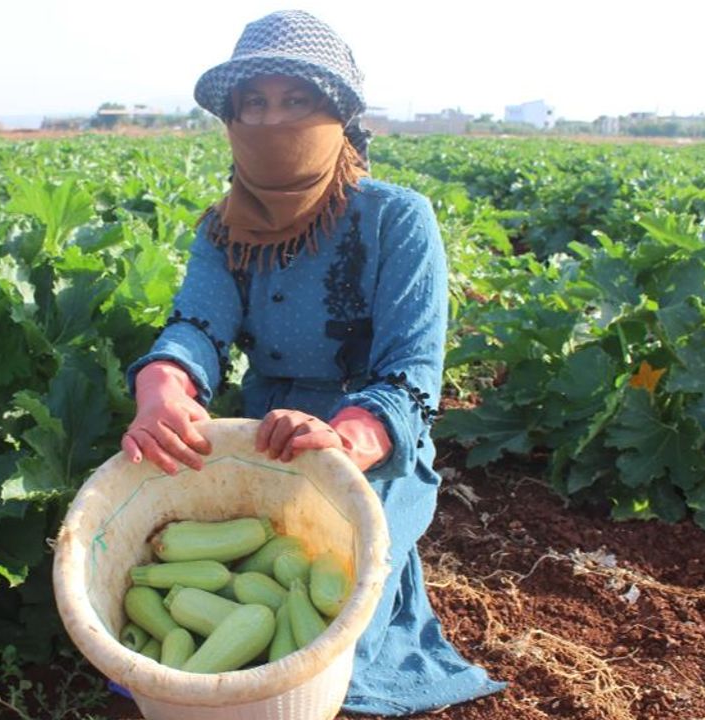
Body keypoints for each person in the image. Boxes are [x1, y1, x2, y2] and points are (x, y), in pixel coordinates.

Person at [120, 9, 504, 715]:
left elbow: (412, 374)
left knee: (338, 635)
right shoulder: (223, 229)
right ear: (231, 120)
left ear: (339, 115)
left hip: (372, 441)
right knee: (224, 571)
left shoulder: (397, 219)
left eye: (297, 100)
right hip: (265, 432)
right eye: (254, 105)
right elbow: (194, 327)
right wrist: (162, 385)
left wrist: (347, 439)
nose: (273, 121)